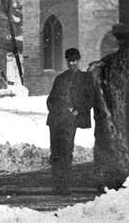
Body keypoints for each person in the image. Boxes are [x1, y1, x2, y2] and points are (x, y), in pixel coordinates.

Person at [46, 47, 92, 194]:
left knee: (66, 152)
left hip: (70, 121)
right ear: (66, 61)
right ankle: (56, 186)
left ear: (78, 61)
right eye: (69, 61)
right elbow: (50, 100)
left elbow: (89, 99)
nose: (72, 63)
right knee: (55, 153)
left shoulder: (85, 78)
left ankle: (64, 186)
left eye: (74, 61)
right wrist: (56, 109)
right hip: (55, 121)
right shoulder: (60, 78)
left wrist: (78, 110)